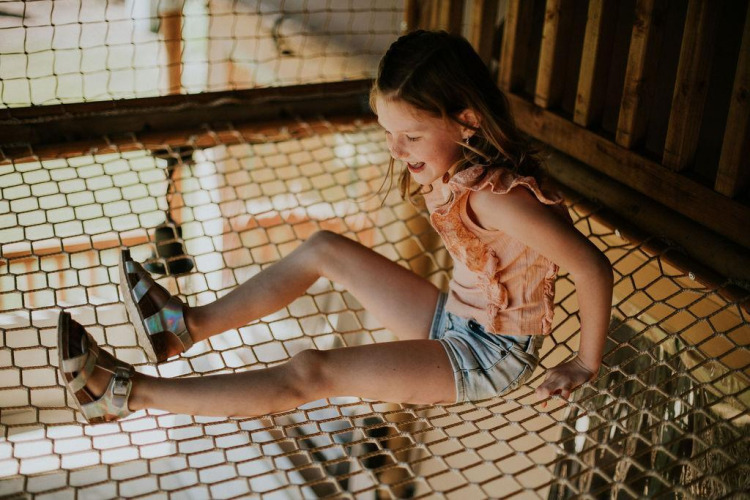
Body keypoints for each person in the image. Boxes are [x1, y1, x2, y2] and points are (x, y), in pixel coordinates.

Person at [57, 30, 613, 424]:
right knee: (323, 248)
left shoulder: (501, 200)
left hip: (486, 356)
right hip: (454, 316)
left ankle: (126, 395)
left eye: (411, 136)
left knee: (312, 371)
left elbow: (592, 265)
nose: (396, 150)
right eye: (387, 129)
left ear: (466, 121)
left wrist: (586, 361)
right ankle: (184, 326)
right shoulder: (454, 163)